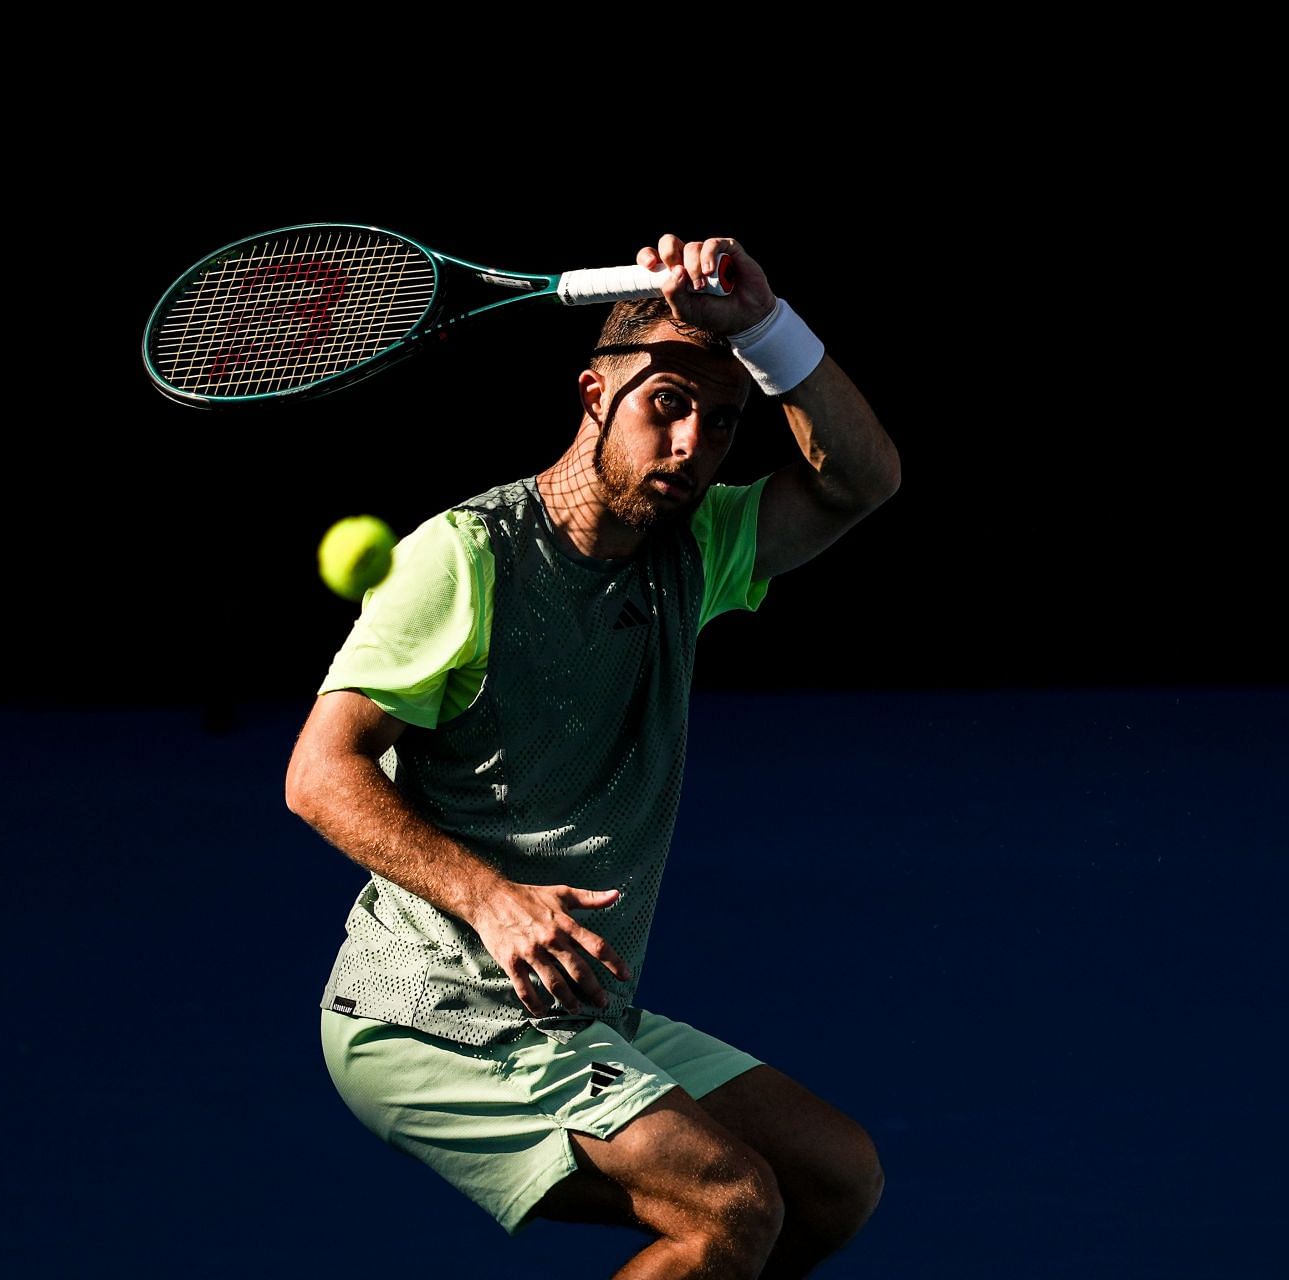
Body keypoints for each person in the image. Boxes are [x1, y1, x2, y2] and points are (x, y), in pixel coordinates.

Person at [285, 232, 901, 1279]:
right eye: (667, 401)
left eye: (722, 419)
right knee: (728, 1204)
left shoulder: (694, 550)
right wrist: (492, 897)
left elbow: (861, 479)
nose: (693, 442)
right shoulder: (467, 555)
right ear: (593, 393)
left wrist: (767, 326)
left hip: (572, 1005)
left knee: (833, 1179)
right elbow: (318, 772)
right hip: (434, 1015)